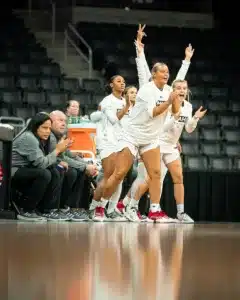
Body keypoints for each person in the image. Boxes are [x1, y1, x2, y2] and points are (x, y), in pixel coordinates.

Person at [117, 24, 194, 222]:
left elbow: (178, 81)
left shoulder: (171, 92)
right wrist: (139, 49)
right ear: (154, 75)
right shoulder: (146, 87)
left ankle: (150, 208)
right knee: (144, 178)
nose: (167, 77)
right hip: (142, 137)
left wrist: (186, 61)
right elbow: (142, 70)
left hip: (158, 141)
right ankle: (125, 205)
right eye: (162, 73)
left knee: (156, 177)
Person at [11, 113, 70, 221]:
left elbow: (43, 160)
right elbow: (42, 163)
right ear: (35, 127)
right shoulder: (29, 138)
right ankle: (27, 210)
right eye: (44, 127)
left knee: (55, 170)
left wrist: (58, 160)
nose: (48, 131)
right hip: (13, 170)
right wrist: (57, 150)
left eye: (49, 128)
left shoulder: (37, 137)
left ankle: (47, 210)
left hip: (27, 168)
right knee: (44, 173)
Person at [88, 76, 132, 222]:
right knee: (109, 175)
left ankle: (111, 210)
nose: (122, 83)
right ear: (111, 85)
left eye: (123, 81)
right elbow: (113, 120)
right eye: (119, 81)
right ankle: (93, 208)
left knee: (118, 178)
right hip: (106, 140)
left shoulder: (125, 101)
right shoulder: (107, 101)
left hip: (120, 141)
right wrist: (126, 107)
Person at [49, 110, 98, 221]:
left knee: (81, 171)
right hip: (47, 165)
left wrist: (87, 164)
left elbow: (69, 155)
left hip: (54, 163)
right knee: (74, 172)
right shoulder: (51, 137)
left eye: (65, 121)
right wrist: (85, 167)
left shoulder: (59, 136)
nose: (63, 124)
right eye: (60, 120)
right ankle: (64, 207)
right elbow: (61, 158)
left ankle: (77, 207)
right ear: (50, 121)